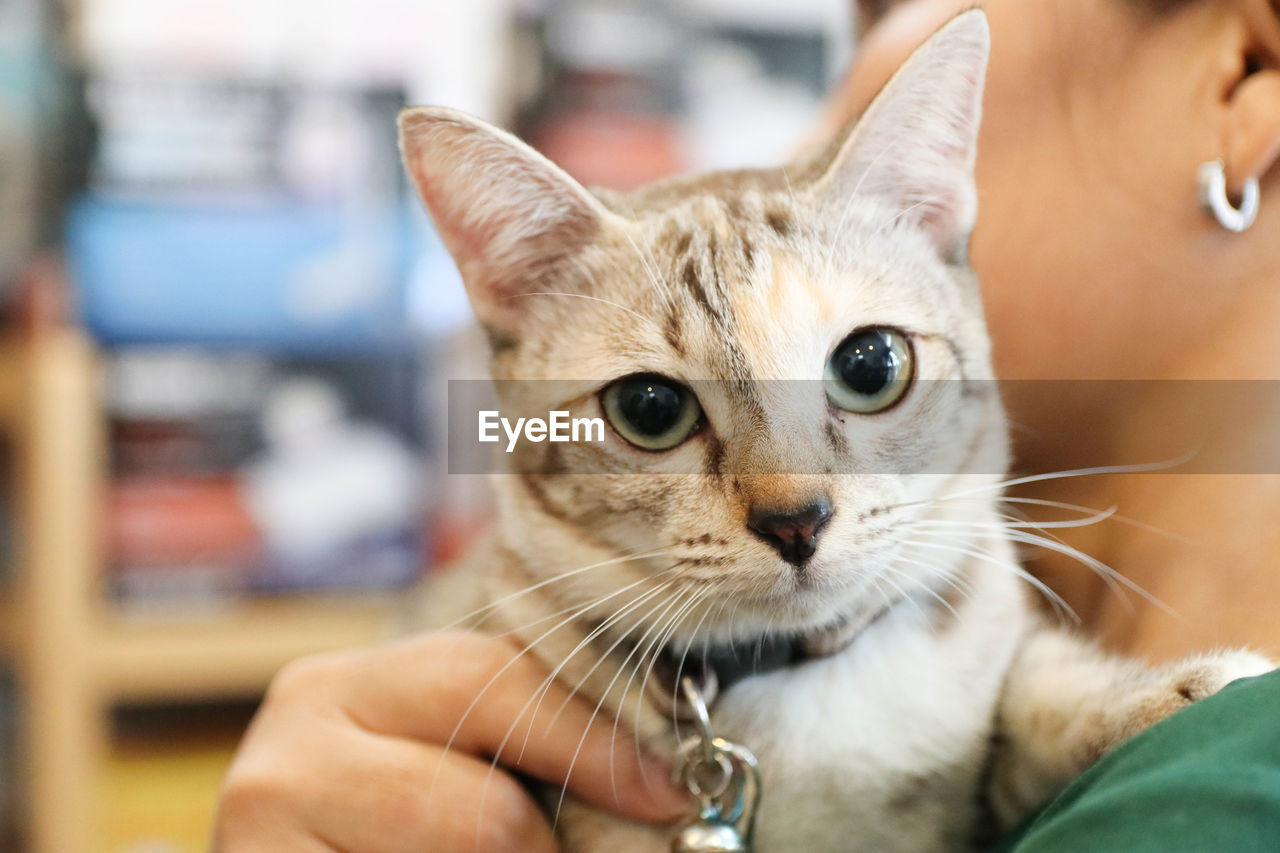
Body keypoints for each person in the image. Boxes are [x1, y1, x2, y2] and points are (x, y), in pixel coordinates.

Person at [213, 0, 1280, 849]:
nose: (788, 502)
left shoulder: (1230, 783)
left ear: (1243, 75)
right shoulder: (488, 672)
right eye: (651, 405)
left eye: (865, 368)